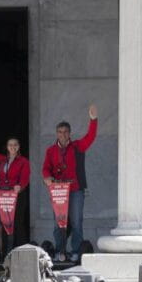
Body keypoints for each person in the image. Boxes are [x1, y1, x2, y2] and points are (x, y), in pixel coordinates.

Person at [42, 104, 98, 262]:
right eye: (60, 132)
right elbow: (46, 168)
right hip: (58, 191)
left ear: (69, 133)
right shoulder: (50, 151)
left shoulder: (77, 146)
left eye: (65, 132)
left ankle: (75, 251)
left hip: (75, 190)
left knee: (76, 221)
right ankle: (60, 251)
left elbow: (90, 137)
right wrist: (47, 178)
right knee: (58, 223)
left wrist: (93, 120)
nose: (62, 134)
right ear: (56, 133)